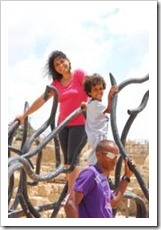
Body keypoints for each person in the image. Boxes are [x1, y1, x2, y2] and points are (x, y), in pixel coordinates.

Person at [15, 50, 88, 200]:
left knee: (74, 158)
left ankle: (74, 195)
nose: (61, 65)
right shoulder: (55, 84)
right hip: (63, 125)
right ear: (54, 69)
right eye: (57, 65)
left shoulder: (79, 74)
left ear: (67, 60)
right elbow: (41, 100)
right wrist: (24, 115)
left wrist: (98, 106)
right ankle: (70, 193)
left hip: (80, 122)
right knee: (67, 161)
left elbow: (93, 87)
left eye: (62, 61)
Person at [65, 139, 135, 218]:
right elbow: (70, 205)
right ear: (98, 155)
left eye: (116, 157)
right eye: (111, 156)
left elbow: (113, 201)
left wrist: (127, 177)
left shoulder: (102, 177)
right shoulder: (90, 174)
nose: (114, 160)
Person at [81, 73, 118, 165]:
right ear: (89, 92)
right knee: (100, 155)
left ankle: (97, 171)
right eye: (95, 89)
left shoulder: (91, 103)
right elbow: (109, 110)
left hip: (95, 135)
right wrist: (110, 96)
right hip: (98, 135)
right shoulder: (96, 104)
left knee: (99, 154)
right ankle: (94, 170)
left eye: (101, 88)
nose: (99, 91)